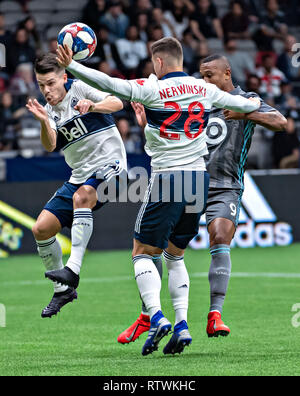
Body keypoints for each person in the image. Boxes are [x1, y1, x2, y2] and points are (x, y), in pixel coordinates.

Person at [55, 38, 260, 356]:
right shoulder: (203, 89)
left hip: (169, 178)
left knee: (141, 251)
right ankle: (181, 325)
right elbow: (248, 106)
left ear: (159, 63)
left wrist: (71, 67)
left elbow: (107, 83)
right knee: (174, 255)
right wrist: (252, 105)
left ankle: (157, 316)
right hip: (198, 181)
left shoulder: (150, 88)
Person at [117, 53, 287, 347]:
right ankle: (148, 316)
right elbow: (171, 132)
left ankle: (214, 315)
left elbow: (280, 122)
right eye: (202, 75)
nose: (204, 80)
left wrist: (247, 114)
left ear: (227, 74)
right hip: (191, 181)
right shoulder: (199, 99)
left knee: (219, 234)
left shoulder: (245, 99)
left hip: (225, 185)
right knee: (159, 249)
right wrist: (149, 123)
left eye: (210, 75)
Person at [26, 53, 126, 318]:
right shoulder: (48, 111)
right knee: (41, 229)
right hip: (80, 175)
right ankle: (63, 290)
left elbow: (116, 102)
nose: (46, 90)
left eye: (50, 83)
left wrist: (93, 107)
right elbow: (49, 146)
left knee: (81, 198)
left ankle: (73, 269)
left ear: (64, 77)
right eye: (41, 85)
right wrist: (43, 122)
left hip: (112, 166)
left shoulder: (80, 88)